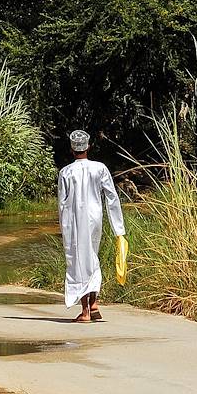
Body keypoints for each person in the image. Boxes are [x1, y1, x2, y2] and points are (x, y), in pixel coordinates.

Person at [58, 130, 125, 323]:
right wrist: (118, 229)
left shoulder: (66, 172)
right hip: (94, 218)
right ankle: (93, 304)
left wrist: (64, 228)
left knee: (79, 260)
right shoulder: (100, 168)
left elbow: (62, 203)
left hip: (74, 220)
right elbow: (112, 197)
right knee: (92, 257)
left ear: (72, 149)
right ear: (88, 147)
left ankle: (85, 310)